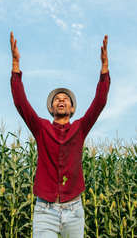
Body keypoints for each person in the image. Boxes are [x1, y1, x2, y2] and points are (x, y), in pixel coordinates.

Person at [10, 31, 110, 237]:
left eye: (66, 99)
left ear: (72, 109)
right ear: (51, 107)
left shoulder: (79, 128)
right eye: (57, 99)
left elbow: (99, 103)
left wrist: (104, 70)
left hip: (74, 210)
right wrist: (16, 66)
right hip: (45, 211)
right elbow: (21, 104)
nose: (61, 100)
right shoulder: (41, 128)